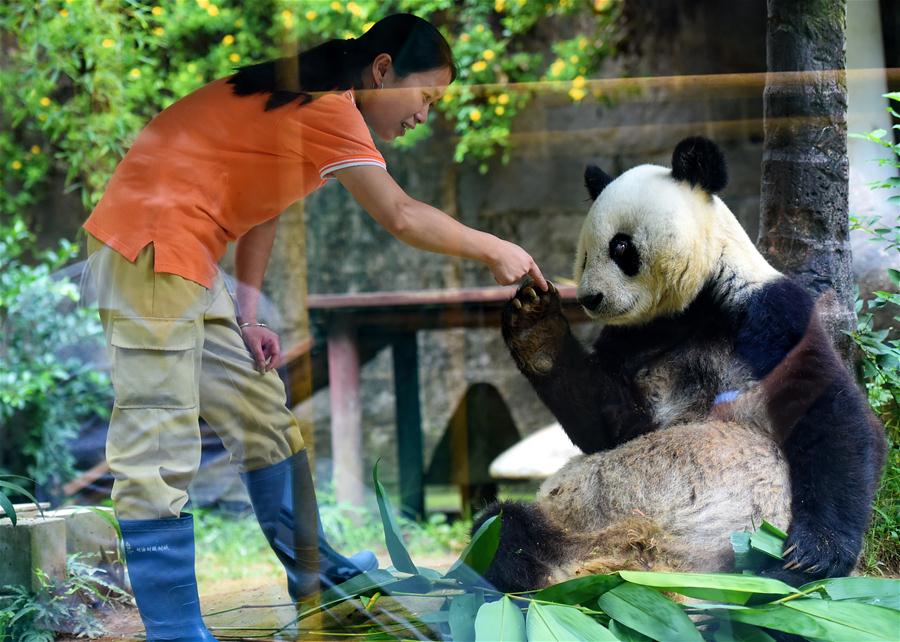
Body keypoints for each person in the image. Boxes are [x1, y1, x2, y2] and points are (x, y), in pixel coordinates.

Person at [82, 12, 546, 642]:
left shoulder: (305, 106)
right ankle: (174, 631)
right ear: (383, 70)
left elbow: (260, 208)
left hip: (187, 255)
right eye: (426, 97)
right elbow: (401, 215)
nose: (424, 116)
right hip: (150, 248)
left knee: (262, 415)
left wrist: (245, 314)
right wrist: (494, 248)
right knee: (155, 451)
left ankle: (317, 577)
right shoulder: (329, 106)